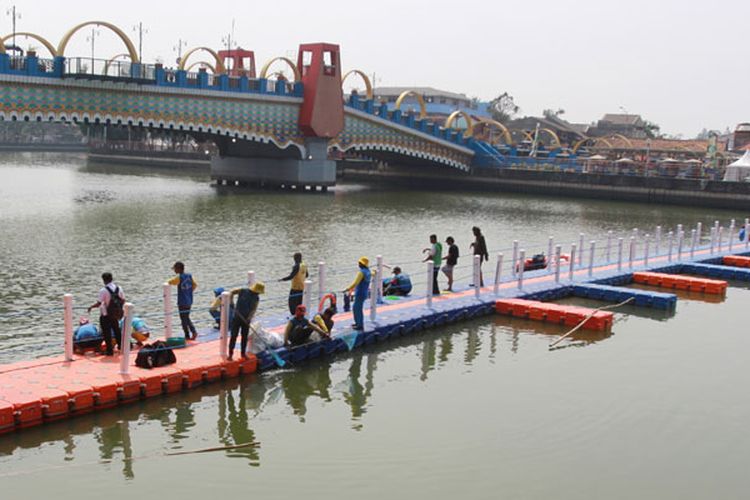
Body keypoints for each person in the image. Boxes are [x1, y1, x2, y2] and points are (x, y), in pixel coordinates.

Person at [87, 272, 124, 356]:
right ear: (112, 278)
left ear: (104, 280)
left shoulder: (103, 290)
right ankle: (121, 347)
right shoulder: (119, 288)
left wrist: (91, 307)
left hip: (106, 315)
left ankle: (109, 351)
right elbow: (123, 300)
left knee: (107, 333)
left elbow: (99, 303)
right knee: (117, 330)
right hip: (116, 314)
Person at [227, 281, 265, 360]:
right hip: (237, 317)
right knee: (234, 335)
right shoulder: (243, 291)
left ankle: (243, 353)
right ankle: (230, 354)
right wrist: (231, 302)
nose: (258, 294)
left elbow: (253, 309)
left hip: (246, 320)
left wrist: (249, 318)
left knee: (244, 337)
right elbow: (231, 292)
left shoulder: (256, 298)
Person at [168, 261, 198, 340]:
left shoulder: (179, 277)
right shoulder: (189, 276)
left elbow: (171, 282)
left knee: (184, 318)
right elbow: (195, 285)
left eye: (175, 269)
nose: (174, 271)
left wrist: (166, 283)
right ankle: (189, 334)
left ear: (178, 269)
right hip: (189, 300)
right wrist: (188, 292)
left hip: (182, 301)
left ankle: (190, 333)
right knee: (186, 317)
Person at [345, 256, 372, 330]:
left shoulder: (361, 272)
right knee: (357, 308)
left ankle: (359, 325)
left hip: (360, 293)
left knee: (357, 309)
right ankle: (358, 323)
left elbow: (356, 283)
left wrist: (348, 288)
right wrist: (375, 272)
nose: (358, 264)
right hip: (364, 293)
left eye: (359, 263)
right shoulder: (368, 271)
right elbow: (372, 274)